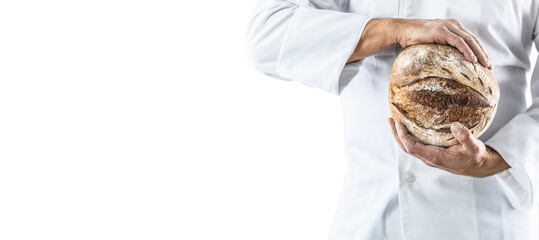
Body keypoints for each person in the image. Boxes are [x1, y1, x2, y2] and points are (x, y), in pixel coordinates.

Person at [246, 0, 539, 239]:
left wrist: (495, 159)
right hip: (370, 219)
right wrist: (392, 30)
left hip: (486, 220)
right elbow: (267, 33)